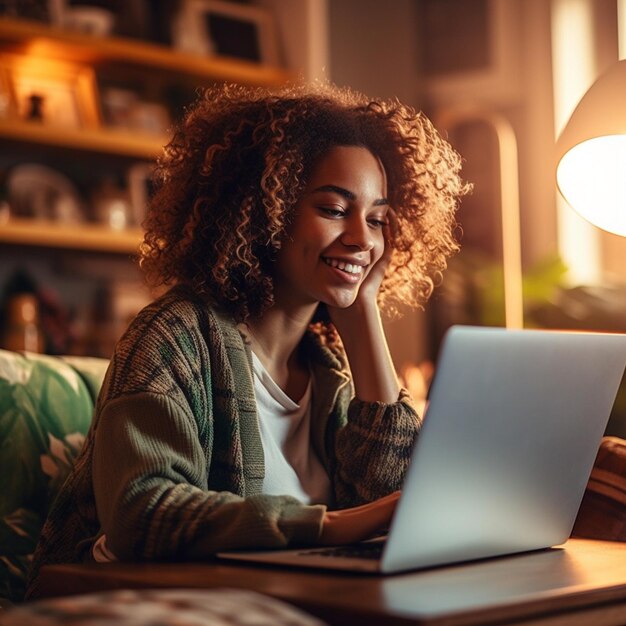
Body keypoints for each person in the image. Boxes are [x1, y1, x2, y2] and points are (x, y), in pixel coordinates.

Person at [27, 82, 467, 597]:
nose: (363, 238)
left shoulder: (328, 368)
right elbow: (142, 512)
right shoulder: (174, 335)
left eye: (376, 220)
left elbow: (391, 500)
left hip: (281, 595)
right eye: (332, 209)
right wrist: (330, 525)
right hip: (125, 598)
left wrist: (364, 311)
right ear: (266, 210)